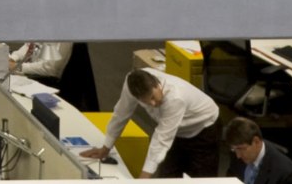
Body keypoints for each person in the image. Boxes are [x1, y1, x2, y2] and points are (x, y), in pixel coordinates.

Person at [91, 71, 222, 178]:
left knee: (203, 180)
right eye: (146, 101)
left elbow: (161, 139)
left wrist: (144, 177)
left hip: (204, 129)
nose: (153, 104)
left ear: (157, 84)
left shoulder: (175, 97)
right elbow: (121, 114)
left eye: (153, 97)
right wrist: (106, 147)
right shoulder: (131, 84)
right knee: (167, 177)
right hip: (176, 131)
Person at [226, 119, 292, 184]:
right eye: (234, 149)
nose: (238, 155)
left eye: (241, 149)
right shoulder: (237, 152)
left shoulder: (286, 173)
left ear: (256, 141)